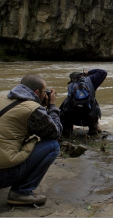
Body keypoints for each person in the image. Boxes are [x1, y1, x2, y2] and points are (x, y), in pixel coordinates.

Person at [0, 74, 62, 205]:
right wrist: (51, 106)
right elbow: (55, 133)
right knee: (53, 145)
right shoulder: (32, 109)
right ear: (37, 92)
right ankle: (21, 192)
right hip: (3, 177)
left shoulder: (3, 96)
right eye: (45, 92)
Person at [60, 68, 107, 137]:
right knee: (93, 106)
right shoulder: (91, 80)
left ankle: (67, 131)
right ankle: (94, 128)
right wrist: (88, 72)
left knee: (63, 110)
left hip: (73, 119)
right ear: (82, 75)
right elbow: (103, 72)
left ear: (71, 79)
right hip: (90, 118)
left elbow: (67, 104)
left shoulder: (71, 85)